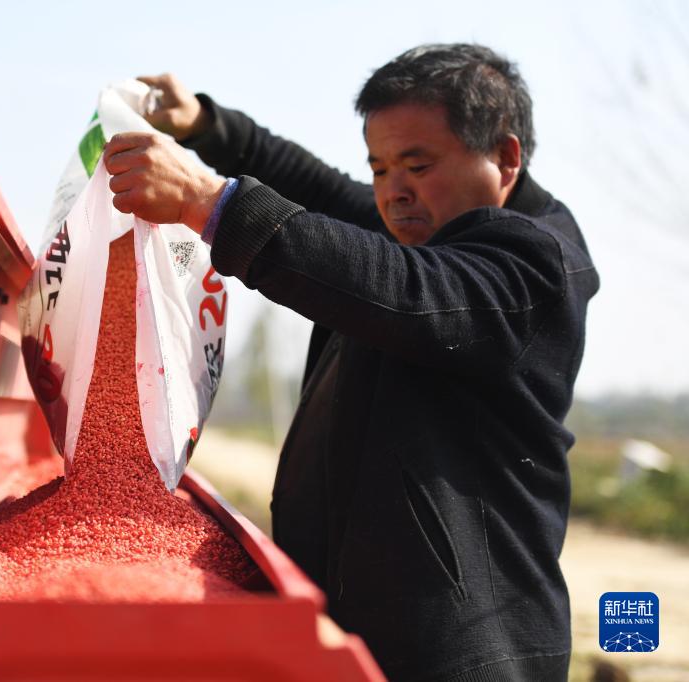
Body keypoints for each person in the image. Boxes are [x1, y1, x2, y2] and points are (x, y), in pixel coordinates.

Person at [102, 44, 598, 681]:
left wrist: (210, 203)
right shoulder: (421, 223)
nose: (394, 192)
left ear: (504, 157)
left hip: (462, 654)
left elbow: (405, 290)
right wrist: (208, 126)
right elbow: (321, 193)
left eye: (417, 165)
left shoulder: (533, 265)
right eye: (380, 168)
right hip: (362, 635)